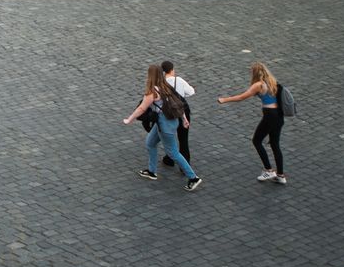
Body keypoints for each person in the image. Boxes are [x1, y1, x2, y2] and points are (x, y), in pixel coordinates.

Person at [123, 63, 202, 191]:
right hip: (166, 121)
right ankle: (151, 171)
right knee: (150, 142)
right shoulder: (166, 86)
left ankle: (193, 177)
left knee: (173, 153)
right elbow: (178, 103)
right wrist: (184, 119)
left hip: (165, 125)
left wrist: (129, 119)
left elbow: (142, 108)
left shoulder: (152, 92)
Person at [217, 61, 287, 185]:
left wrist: (225, 100)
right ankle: (280, 175)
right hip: (279, 116)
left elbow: (242, 97)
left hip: (269, 116)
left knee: (257, 140)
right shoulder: (272, 81)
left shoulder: (259, 85)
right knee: (275, 144)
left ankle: (269, 170)